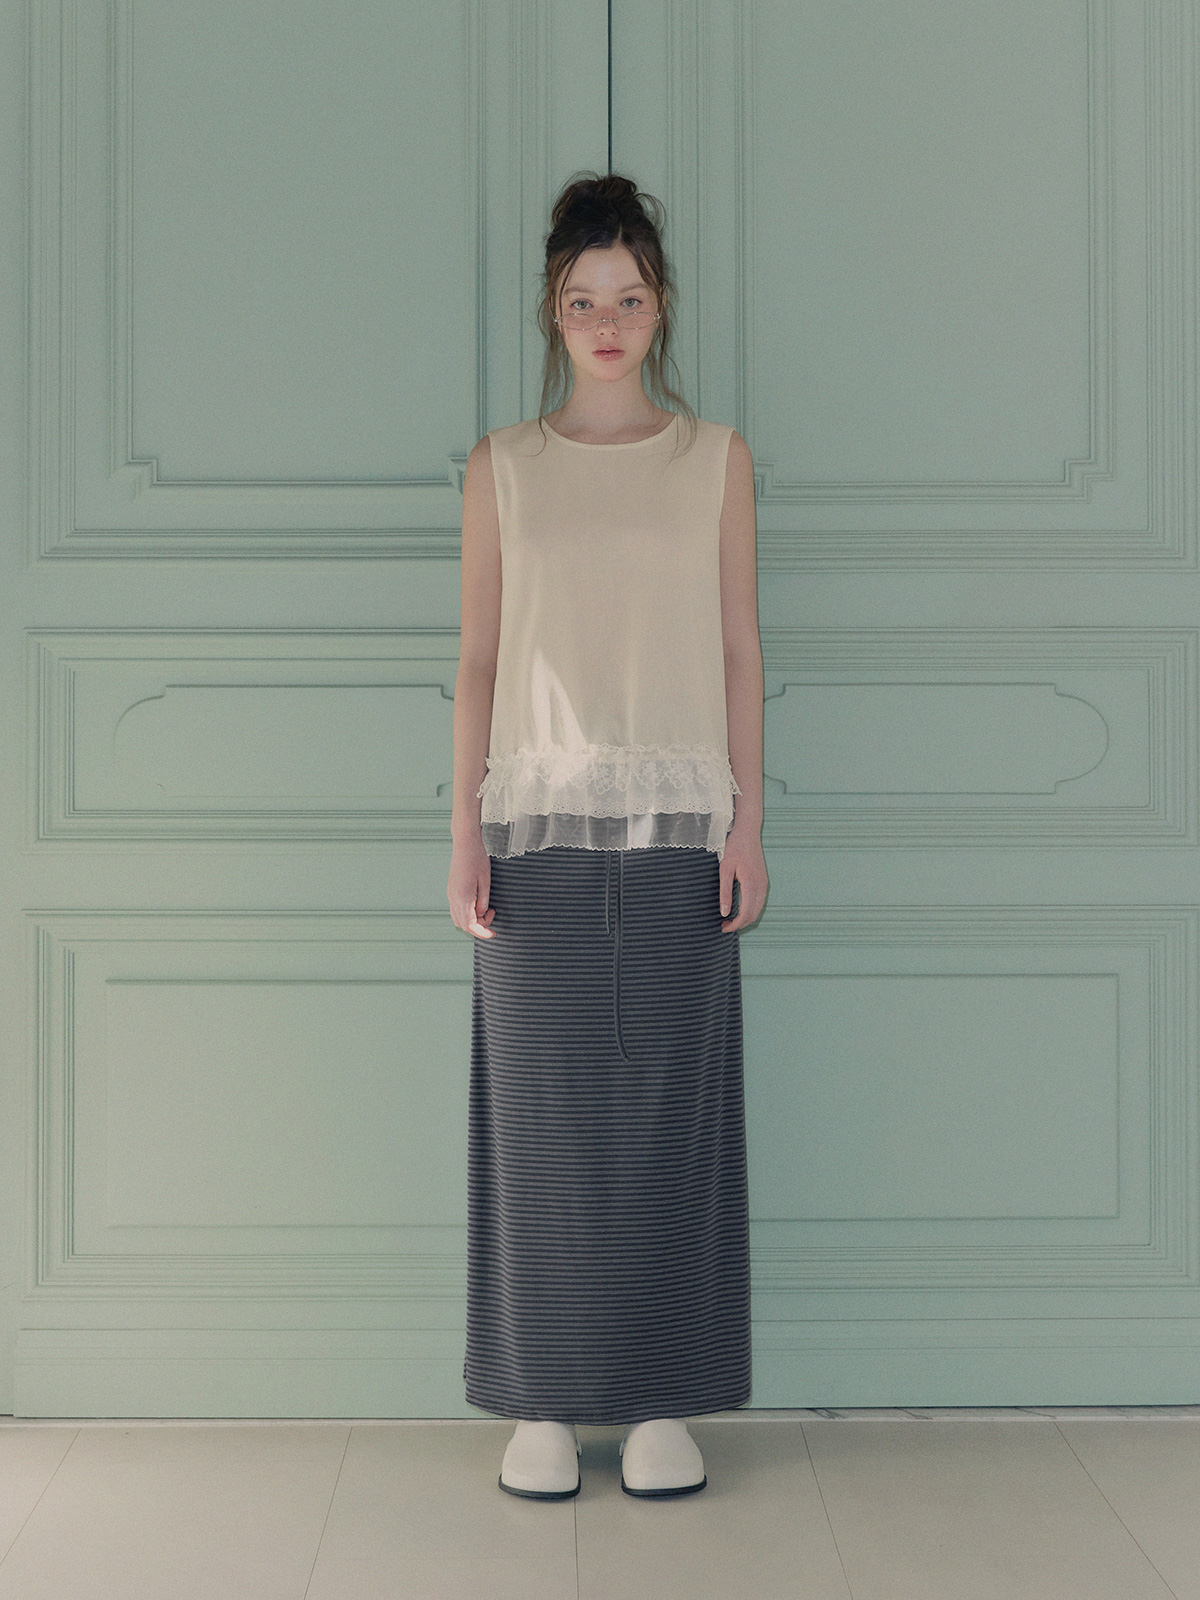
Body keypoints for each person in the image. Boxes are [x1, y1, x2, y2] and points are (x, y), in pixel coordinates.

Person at [447, 170, 767, 1500]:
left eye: (629, 298)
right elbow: (477, 662)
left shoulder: (716, 463)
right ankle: (538, 1402)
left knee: (670, 1124)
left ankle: (659, 1404)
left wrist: (747, 825)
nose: (608, 323)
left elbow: (741, 649)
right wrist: (462, 837)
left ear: (662, 305)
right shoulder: (503, 470)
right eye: (584, 301)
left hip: (685, 836)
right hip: (533, 839)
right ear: (552, 311)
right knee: (539, 1129)